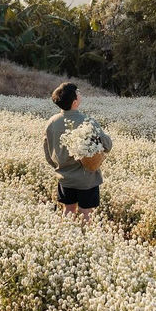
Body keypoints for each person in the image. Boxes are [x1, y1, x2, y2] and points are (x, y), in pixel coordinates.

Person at [43, 81, 112, 223]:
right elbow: (107, 145)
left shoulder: (52, 122)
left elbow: (47, 151)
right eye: (78, 92)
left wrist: (59, 166)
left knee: (67, 210)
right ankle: (85, 240)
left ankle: (67, 236)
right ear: (75, 102)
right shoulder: (87, 121)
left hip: (64, 177)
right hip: (86, 179)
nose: (80, 94)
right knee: (86, 213)